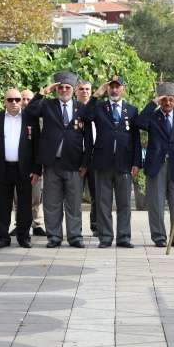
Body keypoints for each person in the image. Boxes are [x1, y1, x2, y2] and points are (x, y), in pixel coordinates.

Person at [24, 72, 92, 249]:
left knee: (74, 203)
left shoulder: (81, 108)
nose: (63, 90)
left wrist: (86, 162)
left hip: (75, 164)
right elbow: (30, 111)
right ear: (56, 89)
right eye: (60, 87)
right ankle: (54, 236)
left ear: (73, 89)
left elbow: (89, 137)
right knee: (51, 203)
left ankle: (75, 236)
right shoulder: (47, 104)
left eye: (67, 87)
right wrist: (42, 92)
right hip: (52, 162)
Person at [84, 76, 141, 248]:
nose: (114, 90)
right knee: (103, 203)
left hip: (124, 162)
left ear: (123, 89)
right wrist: (96, 94)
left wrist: (136, 162)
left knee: (124, 203)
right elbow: (85, 116)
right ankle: (106, 237)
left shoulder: (131, 110)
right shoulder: (100, 107)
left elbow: (135, 138)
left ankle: (123, 237)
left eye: (118, 87)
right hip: (103, 162)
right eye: (111, 87)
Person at [136, 82, 174, 248]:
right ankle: (159, 237)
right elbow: (139, 122)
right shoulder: (153, 117)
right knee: (156, 203)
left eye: (171, 99)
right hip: (157, 166)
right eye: (164, 99)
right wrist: (153, 103)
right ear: (160, 100)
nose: (168, 103)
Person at [0, 88, 41, 249]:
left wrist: (36, 169)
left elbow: (37, 145)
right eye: (10, 100)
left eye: (17, 100)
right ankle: (3, 238)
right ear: (4, 101)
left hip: (25, 169)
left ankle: (24, 237)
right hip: (3, 168)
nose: (14, 103)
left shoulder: (29, 118)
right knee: (3, 205)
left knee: (25, 205)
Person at [10, 89, 46, 237]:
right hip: (18, 166)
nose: (25, 102)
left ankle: (37, 224)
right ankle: (20, 225)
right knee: (18, 198)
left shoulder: (39, 119)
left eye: (28, 100)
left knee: (36, 197)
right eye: (22, 99)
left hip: (36, 164)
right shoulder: (13, 118)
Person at [76, 80, 98, 236]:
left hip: (95, 157)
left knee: (96, 194)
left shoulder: (98, 109)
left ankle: (96, 225)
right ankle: (76, 228)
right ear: (76, 91)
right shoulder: (72, 109)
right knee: (75, 195)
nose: (84, 92)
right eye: (81, 89)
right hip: (77, 158)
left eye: (87, 89)